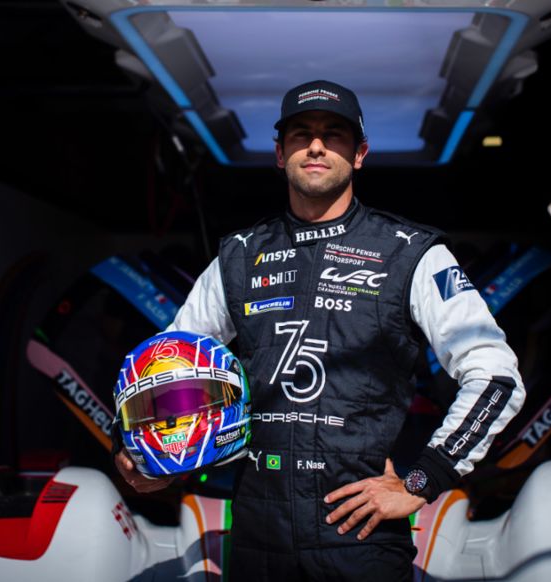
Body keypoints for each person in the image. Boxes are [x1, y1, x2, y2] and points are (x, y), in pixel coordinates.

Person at [115, 80, 525, 580]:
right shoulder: (240, 255)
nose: (315, 145)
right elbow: (168, 362)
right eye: (300, 133)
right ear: (279, 152)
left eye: (334, 134)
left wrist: (423, 479)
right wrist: (144, 451)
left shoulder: (411, 252)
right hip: (256, 531)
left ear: (359, 154)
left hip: (359, 533)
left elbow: (496, 376)